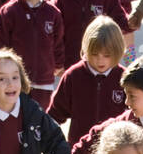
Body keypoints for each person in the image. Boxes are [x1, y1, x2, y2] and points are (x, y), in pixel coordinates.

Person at [0, 0, 65, 108]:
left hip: (44, 79)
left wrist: (58, 64)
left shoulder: (53, 13)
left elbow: (58, 42)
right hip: (14, 78)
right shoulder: (10, 11)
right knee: (15, 114)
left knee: (39, 116)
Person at [47, 14, 126, 144]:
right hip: (79, 150)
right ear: (86, 50)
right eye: (94, 54)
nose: (100, 60)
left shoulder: (124, 78)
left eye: (107, 55)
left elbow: (136, 115)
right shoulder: (73, 76)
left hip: (114, 150)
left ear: (117, 52)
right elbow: (55, 114)